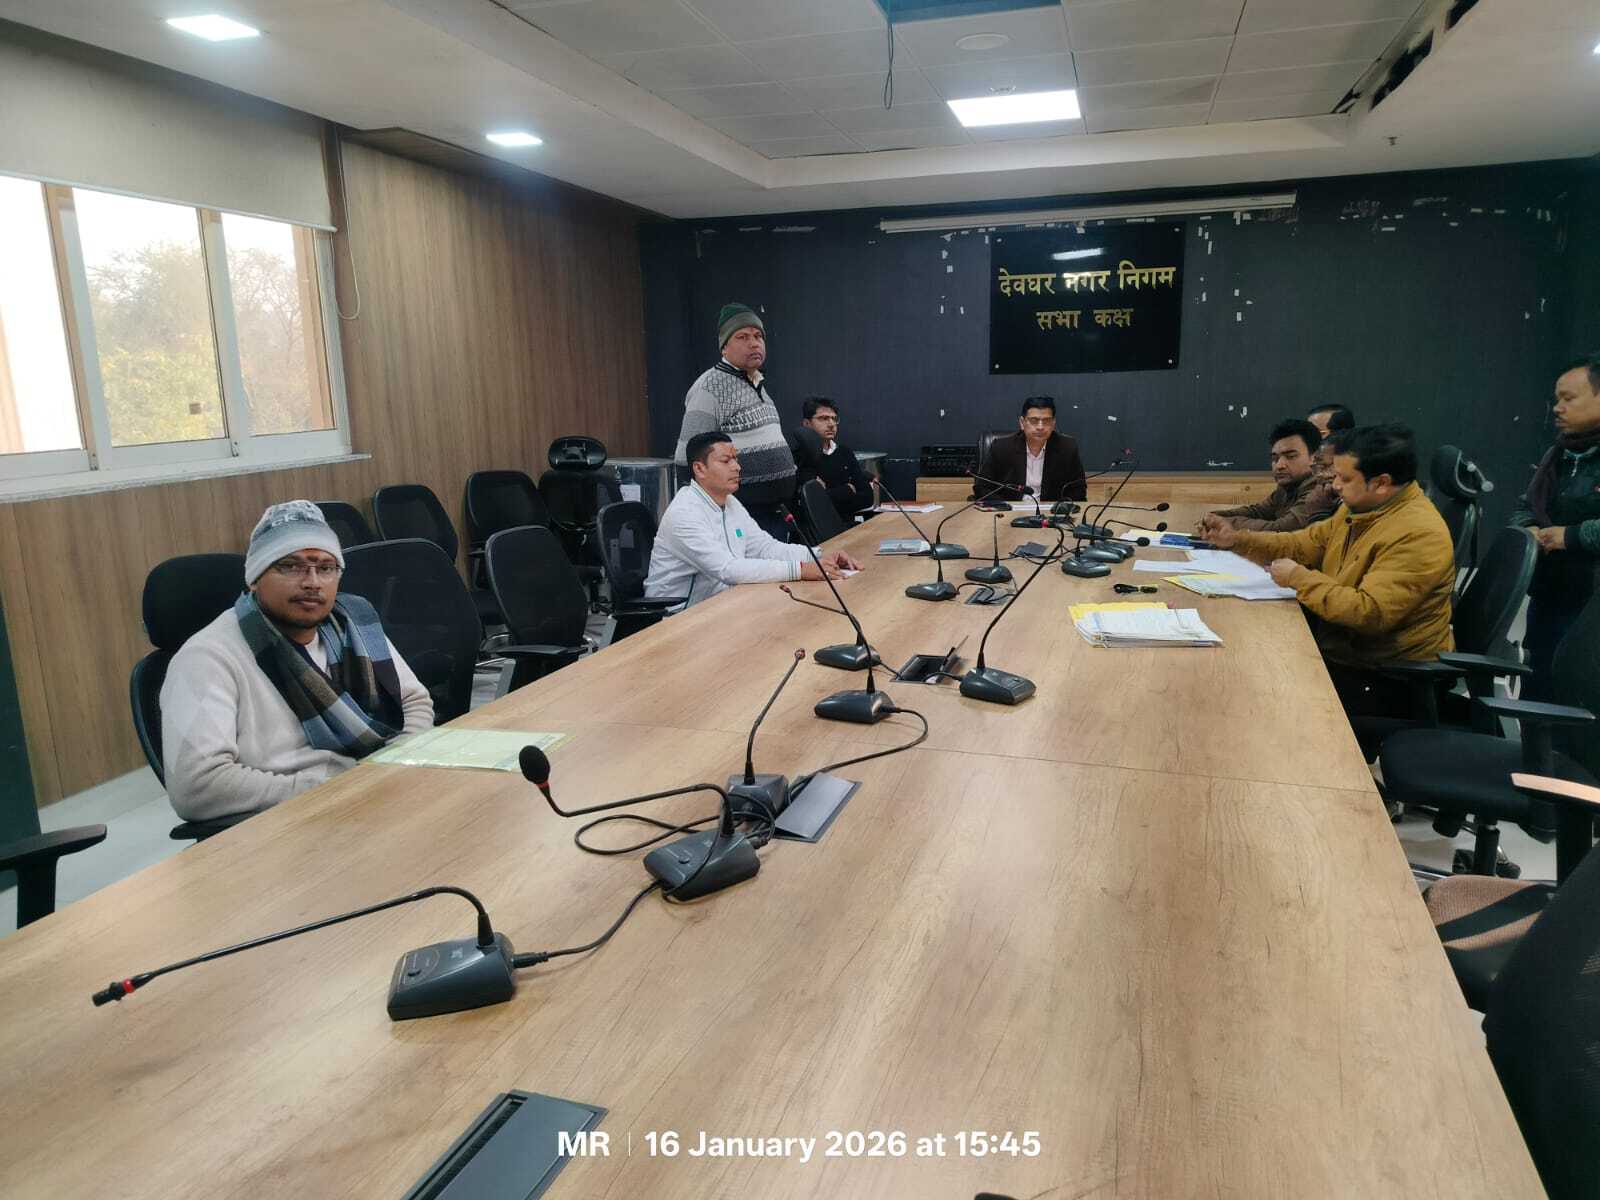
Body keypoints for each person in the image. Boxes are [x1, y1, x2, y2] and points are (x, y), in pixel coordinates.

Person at [161, 500, 434, 823]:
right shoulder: (207, 657)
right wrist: (340, 787)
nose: (312, 582)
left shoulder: (354, 624)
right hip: (286, 822)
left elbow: (414, 701)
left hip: (377, 795)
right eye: (290, 566)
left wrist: (396, 765)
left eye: (326, 568)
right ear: (255, 577)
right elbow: (197, 786)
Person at [1203, 424, 1456, 723]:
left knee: (1255, 696)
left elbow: (1369, 612)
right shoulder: (1360, 508)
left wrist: (1297, 578)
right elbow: (1302, 544)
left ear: (1381, 483)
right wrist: (1237, 540)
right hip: (1345, 653)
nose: (1334, 485)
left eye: (1344, 478)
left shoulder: (1418, 533)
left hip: (1387, 678)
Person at [646, 432, 863, 609]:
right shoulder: (685, 513)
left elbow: (764, 547)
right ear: (699, 469)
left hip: (722, 603)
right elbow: (728, 569)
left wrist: (819, 556)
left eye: (736, 459)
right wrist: (801, 570)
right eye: (726, 461)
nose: (737, 467)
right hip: (678, 615)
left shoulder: (729, 502)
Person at [1512, 352, 1600, 699]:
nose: (1557, 409)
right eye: (1556, 400)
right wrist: (1530, 529)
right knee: (1538, 686)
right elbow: (1525, 506)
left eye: (1569, 399)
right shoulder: (1559, 454)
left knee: (1575, 693)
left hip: (1590, 604)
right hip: (1550, 590)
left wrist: (1571, 536)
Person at [673, 302, 796, 540]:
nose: (754, 343)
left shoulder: (757, 383)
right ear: (724, 347)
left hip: (773, 513)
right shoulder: (709, 387)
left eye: (758, 336)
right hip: (740, 517)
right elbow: (686, 461)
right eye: (742, 337)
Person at [1198, 418, 1336, 534]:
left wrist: (1224, 523)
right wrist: (1215, 515)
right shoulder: (1286, 487)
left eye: (1291, 456)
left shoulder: (1320, 488)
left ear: (1314, 457)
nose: (1279, 465)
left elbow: (1280, 530)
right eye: (1275, 458)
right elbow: (1258, 511)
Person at [974, 396, 1087, 503]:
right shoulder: (1001, 448)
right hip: (1010, 510)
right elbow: (982, 487)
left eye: (1046, 421)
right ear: (1022, 423)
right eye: (1034, 420)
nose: (1040, 427)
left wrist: (1060, 508)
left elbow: (1078, 490)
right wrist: (1005, 506)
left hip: (1050, 512)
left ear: (1053, 424)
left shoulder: (1067, 448)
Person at [790, 396, 876, 521]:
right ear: (807, 424)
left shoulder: (844, 452)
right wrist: (848, 490)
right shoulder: (800, 457)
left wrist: (830, 495)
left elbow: (868, 498)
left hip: (849, 527)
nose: (831, 424)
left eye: (834, 419)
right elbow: (813, 504)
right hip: (817, 531)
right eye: (823, 418)